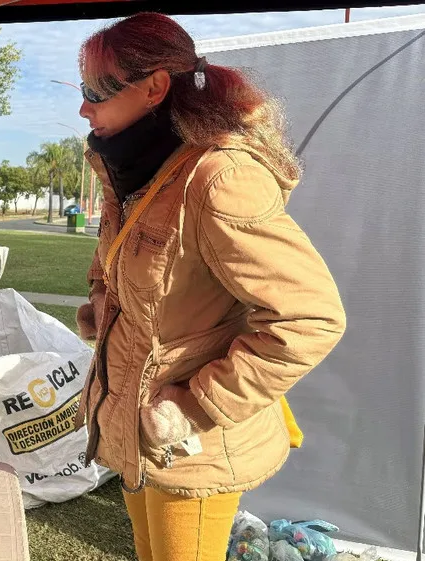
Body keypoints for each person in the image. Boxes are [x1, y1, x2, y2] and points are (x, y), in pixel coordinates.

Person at [72, 13, 346, 561]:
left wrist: (194, 406)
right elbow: (119, 264)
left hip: (193, 443)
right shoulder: (134, 170)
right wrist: (104, 299)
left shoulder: (218, 178)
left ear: (153, 88)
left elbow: (310, 318)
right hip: (141, 429)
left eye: (95, 91)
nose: (83, 107)